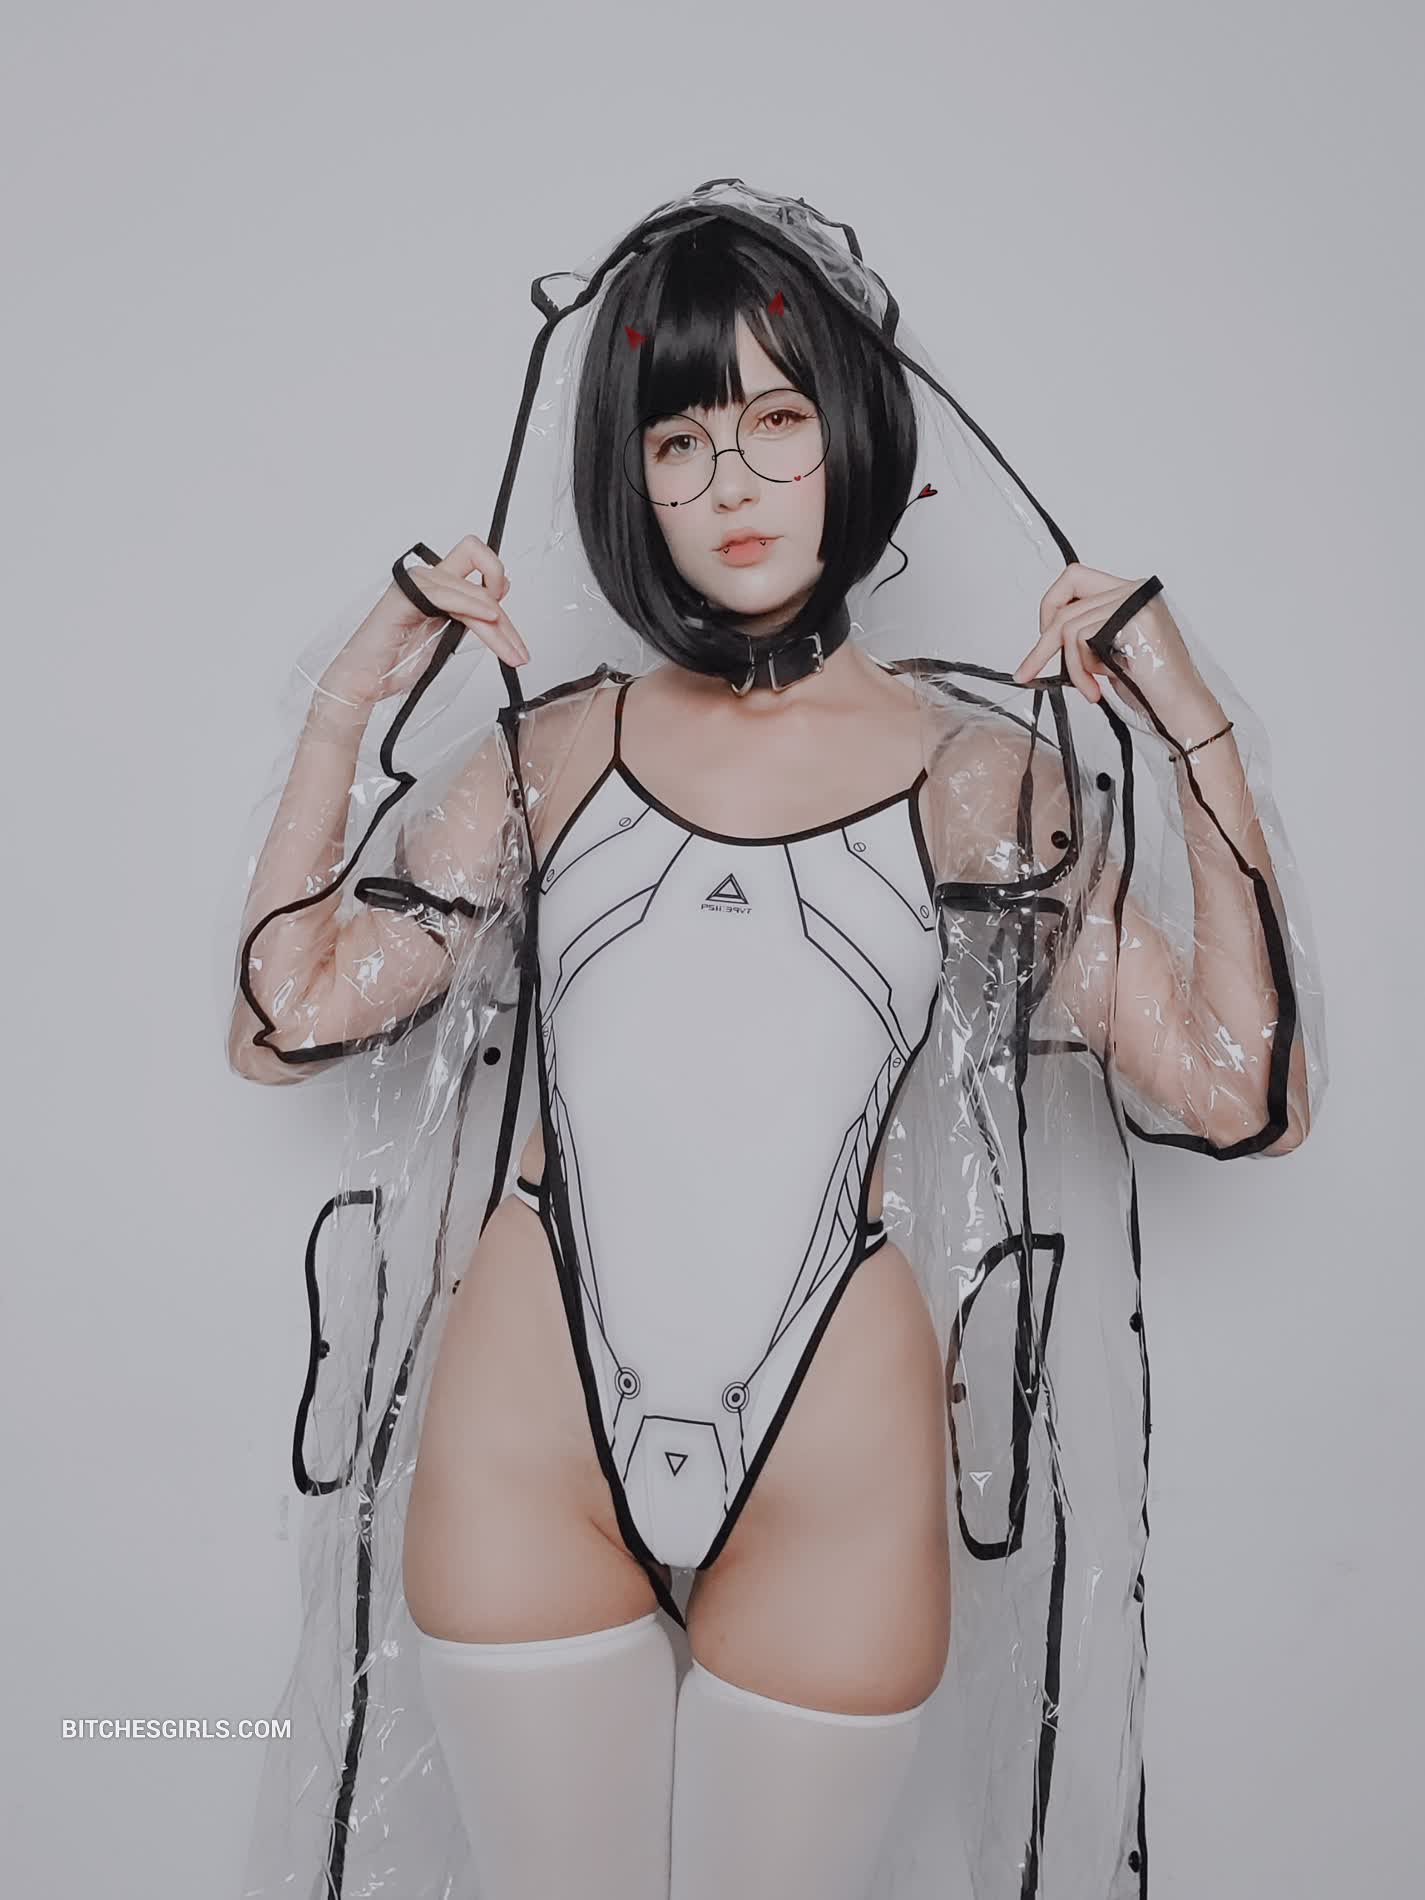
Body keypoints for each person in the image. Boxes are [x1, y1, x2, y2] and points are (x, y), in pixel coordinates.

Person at [225, 181, 1327, 1900]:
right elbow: (283, 1016)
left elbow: (1240, 1094)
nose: (730, 482)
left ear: (854, 436)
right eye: (677, 440)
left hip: (836, 1455)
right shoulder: (554, 757)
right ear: (630, 480)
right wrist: (347, 700)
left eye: (776, 420)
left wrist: (1197, 731)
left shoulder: (977, 778)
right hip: (529, 1434)